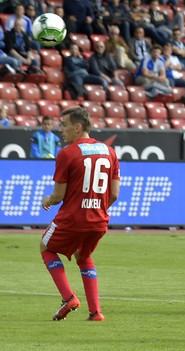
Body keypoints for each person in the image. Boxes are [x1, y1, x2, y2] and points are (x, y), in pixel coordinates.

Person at [40, 107, 120, 322]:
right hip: (99, 220)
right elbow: (114, 194)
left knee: (46, 248)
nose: (60, 130)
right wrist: (97, 208)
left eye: (64, 125)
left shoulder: (66, 153)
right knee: (83, 256)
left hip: (73, 219)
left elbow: (58, 196)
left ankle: (68, 298)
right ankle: (96, 312)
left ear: (78, 127)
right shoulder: (109, 151)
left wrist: (47, 200)